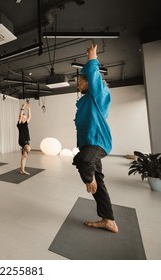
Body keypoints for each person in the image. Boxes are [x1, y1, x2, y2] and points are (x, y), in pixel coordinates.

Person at [72, 44, 119, 233]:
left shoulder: (98, 95)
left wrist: (92, 57)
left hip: (98, 142)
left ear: (89, 82)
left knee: (84, 162)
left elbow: (93, 76)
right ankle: (108, 219)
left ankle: (89, 178)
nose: (78, 84)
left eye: (80, 81)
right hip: (88, 144)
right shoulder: (85, 101)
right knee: (88, 169)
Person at [17, 102, 31, 175]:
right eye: (23, 118)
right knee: (28, 148)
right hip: (22, 141)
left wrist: (29, 109)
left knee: (24, 156)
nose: (25, 119)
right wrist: (22, 108)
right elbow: (20, 116)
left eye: (25, 118)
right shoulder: (19, 124)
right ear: (21, 118)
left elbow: (30, 117)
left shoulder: (26, 123)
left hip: (27, 141)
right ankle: (23, 148)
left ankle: (22, 170)